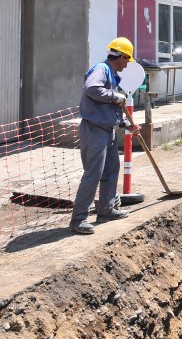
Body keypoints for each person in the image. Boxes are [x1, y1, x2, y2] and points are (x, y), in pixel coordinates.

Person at [70, 37, 140, 235]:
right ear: (121, 56)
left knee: (111, 170)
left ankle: (106, 210)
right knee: (93, 174)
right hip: (94, 131)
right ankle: (78, 219)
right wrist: (115, 96)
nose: (127, 65)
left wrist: (126, 124)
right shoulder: (101, 70)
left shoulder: (112, 74)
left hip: (106, 130)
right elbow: (92, 89)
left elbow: (111, 110)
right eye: (127, 60)